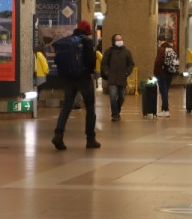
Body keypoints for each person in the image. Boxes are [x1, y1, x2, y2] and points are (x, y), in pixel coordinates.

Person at [52, 21, 99, 150]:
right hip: (84, 78)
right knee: (90, 107)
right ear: (87, 30)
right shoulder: (87, 41)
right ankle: (90, 139)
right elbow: (91, 62)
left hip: (68, 78)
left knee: (67, 106)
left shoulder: (68, 40)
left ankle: (58, 134)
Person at [101, 33, 135, 121]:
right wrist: (107, 72)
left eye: (121, 39)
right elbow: (104, 63)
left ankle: (117, 111)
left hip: (122, 78)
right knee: (113, 96)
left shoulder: (127, 52)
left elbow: (131, 64)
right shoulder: (109, 52)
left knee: (122, 97)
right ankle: (115, 115)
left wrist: (127, 72)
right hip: (112, 78)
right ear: (113, 41)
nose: (120, 41)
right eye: (117, 40)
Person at [154, 36, 179, 117]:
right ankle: (164, 109)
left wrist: (156, 73)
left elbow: (158, 62)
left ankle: (165, 110)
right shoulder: (171, 49)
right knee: (166, 92)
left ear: (159, 41)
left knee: (163, 92)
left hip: (162, 74)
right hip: (170, 73)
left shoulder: (161, 49)